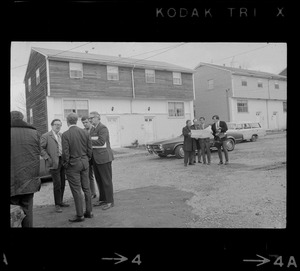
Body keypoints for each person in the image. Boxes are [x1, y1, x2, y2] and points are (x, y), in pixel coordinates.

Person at [11, 111, 41, 227]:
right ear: (22, 118)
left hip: (12, 181)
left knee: (13, 211)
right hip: (29, 180)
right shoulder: (34, 132)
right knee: (28, 210)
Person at [61, 113, 93, 222]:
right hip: (84, 162)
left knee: (76, 190)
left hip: (73, 164)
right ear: (77, 121)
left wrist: (66, 164)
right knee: (86, 188)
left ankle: (80, 215)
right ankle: (89, 212)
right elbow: (90, 149)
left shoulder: (65, 134)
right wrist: (87, 158)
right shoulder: (85, 132)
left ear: (67, 121)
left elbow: (65, 153)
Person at [40, 119, 69, 213]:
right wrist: (47, 158)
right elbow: (40, 148)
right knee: (57, 184)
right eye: (56, 124)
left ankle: (60, 202)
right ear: (52, 125)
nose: (58, 126)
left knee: (63, 183)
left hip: (62, 161)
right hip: (53, 162)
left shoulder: (61, 135)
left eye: (60, 125)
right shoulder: (46, 136)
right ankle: (57, 204)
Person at [89, 111, 114, 210]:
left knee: (106, 180)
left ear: (98, 118)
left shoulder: (102, 128)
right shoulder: (92, 129)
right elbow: (95, 141)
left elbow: (101, 142)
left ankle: (110, 201)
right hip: (95, 158)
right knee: (99, 180)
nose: (90, 120)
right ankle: (103, 199)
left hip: (104, 158)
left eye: (92, 118)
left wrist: (88, 141)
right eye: (89, 118)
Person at [81, 116, 97, 199]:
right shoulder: (82, 131)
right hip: (88, 156)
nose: (85, 124)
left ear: (90, 121)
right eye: (83, 123)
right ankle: (92, 193)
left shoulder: (95, 129)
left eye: (86, 122)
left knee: (98, 175)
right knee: (88, 175)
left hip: (96, 156)